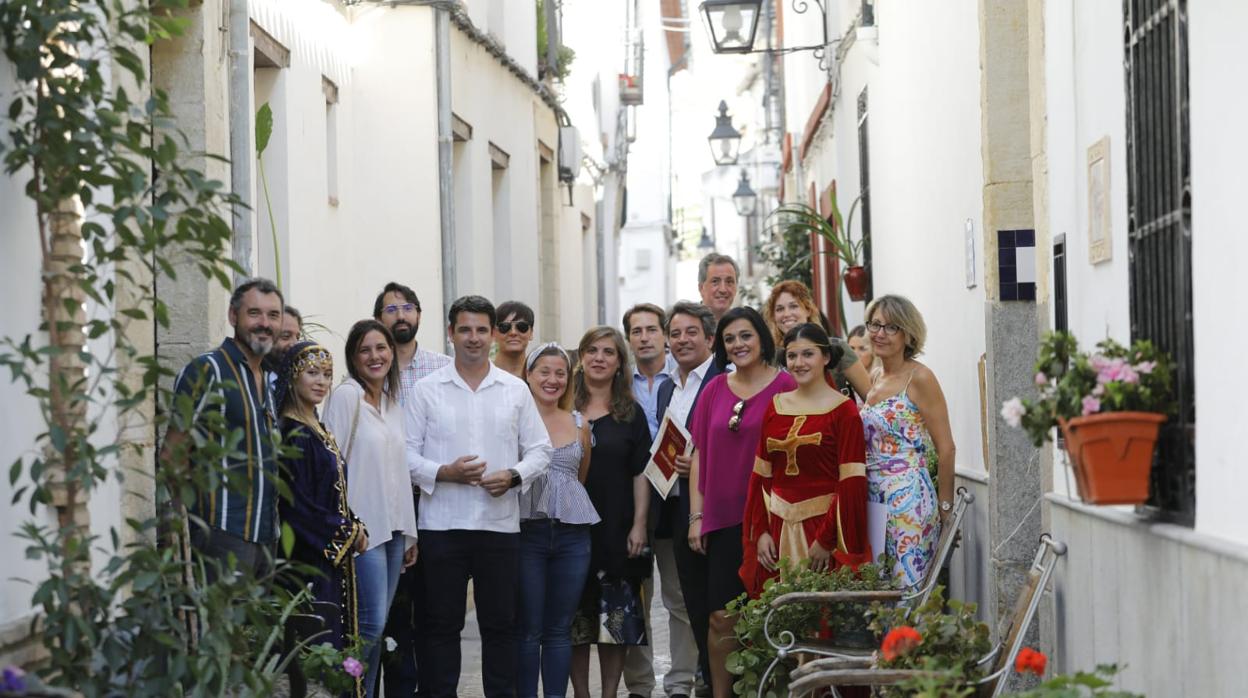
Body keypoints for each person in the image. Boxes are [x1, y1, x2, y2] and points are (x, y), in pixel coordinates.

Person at [404, 295, 553, 698]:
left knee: (501, 628)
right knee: (439, 627)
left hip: (498, 527)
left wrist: (514, 475)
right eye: (465, 329)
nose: (473, 338)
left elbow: (541, 449)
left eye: (482, 330)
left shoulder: (515, 391)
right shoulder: (425, 390)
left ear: (493, 336)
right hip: (441, 525)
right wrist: (443, 473)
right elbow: (404, 453)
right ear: (450, 333)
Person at [685, 307, 796, 698]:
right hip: (723, 518)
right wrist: (696, 516)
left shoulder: (786, 386)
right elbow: (698, 452)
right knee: (721, 617)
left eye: (745, 335)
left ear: (762, 338)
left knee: (773, 616)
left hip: (774, 520)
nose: (738, 344)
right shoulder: (714, 388)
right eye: (730, 338)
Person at [323, 320, 419, 698]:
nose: (375, 356)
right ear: (353, 357)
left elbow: (400, 471)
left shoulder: (394, 405)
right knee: (369, 625)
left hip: (394, 531)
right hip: (362, 533)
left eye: (381, 348)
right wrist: (344, 524)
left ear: (392, 354)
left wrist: (410, 534)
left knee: (376, 629)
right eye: (365, 350)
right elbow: (333, 466)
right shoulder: (347, 398)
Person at [166, 278, 283, 580]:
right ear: (233, 316)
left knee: (256, 628)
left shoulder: (269, 379)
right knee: (221, 626)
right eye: (254, 313)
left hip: (267, 535)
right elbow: (172, 453)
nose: (264, 323)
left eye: (273, 315)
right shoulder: (207, 370)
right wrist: (192, 525)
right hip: (221, 532)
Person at [742, 322, 871, 596]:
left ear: (826, 357)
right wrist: (761, 531)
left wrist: (825, 540)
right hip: (776, 531)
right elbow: (761, 476)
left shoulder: (844, 411)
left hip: (823, 529)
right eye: (792, 356)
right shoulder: (775, 406)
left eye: (807, 354)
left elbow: (851, 483)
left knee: (822, 620)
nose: (798, 363)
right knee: (778, 622)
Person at [274, 340, 368, 698]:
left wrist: (355, 524)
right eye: (312, 373)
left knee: (336, 641)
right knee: (316, 646)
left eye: (327, 375)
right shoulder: (294, 433)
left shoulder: (317, 426)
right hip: (308, 562)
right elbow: (297, 506)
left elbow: (333, 492)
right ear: (293, 377)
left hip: (331, 561)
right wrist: (346, 532)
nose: (321, 382)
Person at [372, 281, 450, 697]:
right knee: (396, 613)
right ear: (378, 318)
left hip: (435, 501)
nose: (400, 315)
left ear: (419, 314)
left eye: (407, 307)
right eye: (390, 309)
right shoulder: (372, 370)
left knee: (435, 610)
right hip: (387, 505)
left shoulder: (442, 368)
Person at [569, 327, 652, 698]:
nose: (599, 358)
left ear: (620, 362)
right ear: (581, 357)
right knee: (575, 620)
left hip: (617, 529)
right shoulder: (562, 406)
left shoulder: (630, 414)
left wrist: (639, 525)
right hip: (571, 528)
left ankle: (609, 695)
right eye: (592, 350)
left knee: (614, 621)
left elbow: (641, 473)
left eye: (608, 352)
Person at [621, 304, 695, 698]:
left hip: (675, 500)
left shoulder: (680, 380)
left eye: (652, 329)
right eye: (637, 331)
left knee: (678, 596)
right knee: (636, 596)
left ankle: (681, 681)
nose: (645, 337)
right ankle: (639, 685)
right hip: (631, 503)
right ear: (628, 338)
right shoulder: (619, 383)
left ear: (664, 335)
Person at [517, 342, 598, 698]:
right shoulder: (514, 420)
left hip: (572, 536)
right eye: (544, 372)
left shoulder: (580, 423)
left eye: (560, 373)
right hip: (526, 533)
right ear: (529, 375)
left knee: (559, 628)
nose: (552, 380)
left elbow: (580, 478)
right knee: (528, 628)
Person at [859, 295, 956, 589]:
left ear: (908, 334)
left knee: (906, 590)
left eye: (891, 327)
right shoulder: (874, 375)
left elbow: (946, 447)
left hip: (908, 501)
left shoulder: (920, 377)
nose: (879, 333)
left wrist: (945, 508)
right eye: (875, 325)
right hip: (873, 497)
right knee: (879, 592)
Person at [653, 301, 722, 694]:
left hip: (714, 510)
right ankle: (707, 682)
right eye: (675, 333)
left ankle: (720, 684)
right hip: (678, 506)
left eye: (691, 332)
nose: (682, 340)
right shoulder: (667, 388)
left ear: (710, 338)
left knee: (719, 608)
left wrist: (698, 465)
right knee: (692, 604)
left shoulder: (723, 380)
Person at [762, 280, 872, 400]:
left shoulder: (838, 348)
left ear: (808, 310)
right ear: (773, 316)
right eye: (779, 309)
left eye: (793, 306)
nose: (786, 314)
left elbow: (871, 401)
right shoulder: (770, 357)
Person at [494, 300, 536, 378]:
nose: (513, 333)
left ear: (531, 333)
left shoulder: (539, 379)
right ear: (494, 334)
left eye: (522, 327)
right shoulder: (480, 375)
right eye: (505, 327)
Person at [697, 253, 739, 324]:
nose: (723, 289)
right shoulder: (688, 326)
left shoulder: (743, 326)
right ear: (701, 288)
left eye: (729, 282)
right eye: (715, 281)